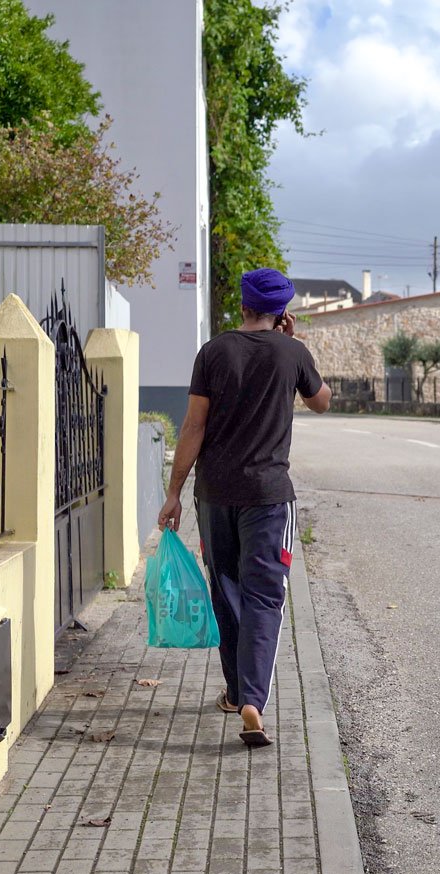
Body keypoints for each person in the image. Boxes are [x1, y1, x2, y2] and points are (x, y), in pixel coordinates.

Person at [157, 268, 332, 748]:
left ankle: (236, 693)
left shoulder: (212, 352)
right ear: (282, 313)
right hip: (269, 497)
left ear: (243, 306)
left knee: (226, 589)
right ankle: (253, 697)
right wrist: (292, 344)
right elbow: (322, 402)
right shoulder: (292, 352)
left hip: (214, 495)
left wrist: (174, 493)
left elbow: (192, 426)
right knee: (264, 597)